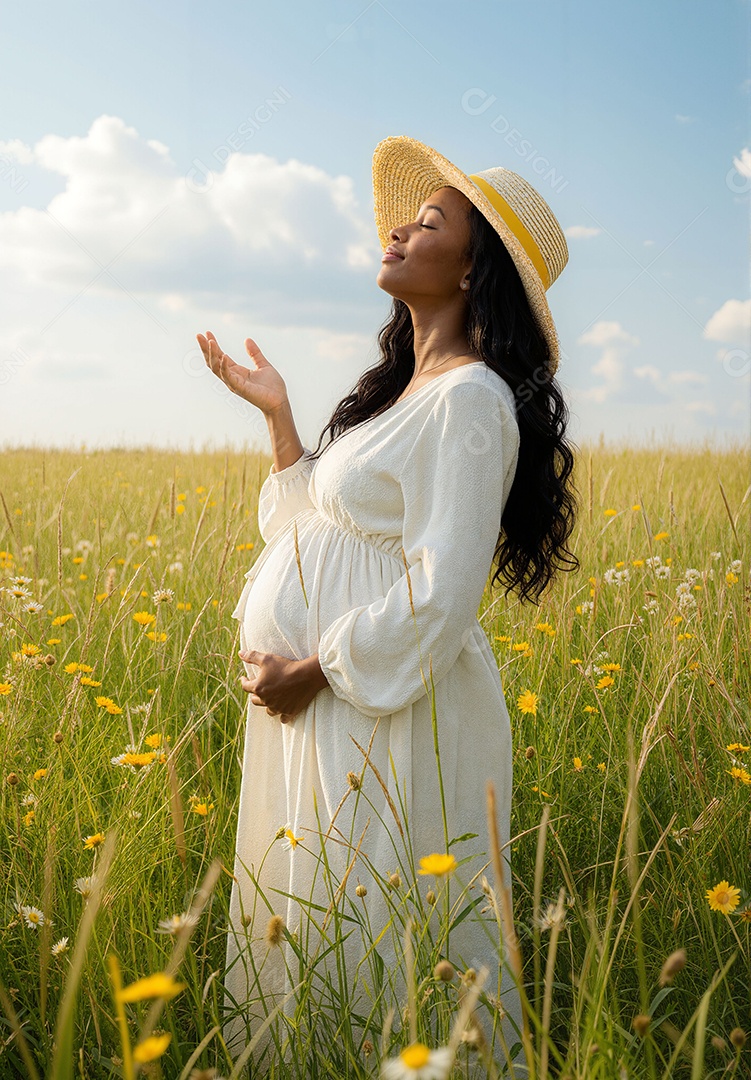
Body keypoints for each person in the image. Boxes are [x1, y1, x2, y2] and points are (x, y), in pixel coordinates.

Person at [196, 135, 579, 1073]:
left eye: (430, 222)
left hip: (380, 707)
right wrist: (281, 419)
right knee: (324, 918)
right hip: (330, 704)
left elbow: (442, 592)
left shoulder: (473, 400)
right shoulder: (402, 394)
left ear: (473, 267)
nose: (401, 228)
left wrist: (313, 668)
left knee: (381, 924)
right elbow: (309, 532)